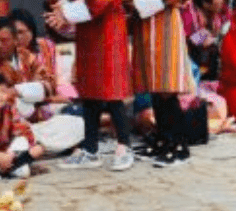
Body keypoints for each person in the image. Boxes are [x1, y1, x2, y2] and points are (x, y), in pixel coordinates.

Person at [49, 0, 137, 170]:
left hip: (108, 30)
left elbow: (98, 3)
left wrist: (67, 12)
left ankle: (124, 146)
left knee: (111, 90)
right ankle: (90, 149)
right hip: (88, 29)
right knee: (89, 90)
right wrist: (63, 5)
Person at [134, 0, 199, 166]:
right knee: (153, 84)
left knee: (167, 85)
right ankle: (162, 138)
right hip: (146, 25)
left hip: (165, 22)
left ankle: (178, 144)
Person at [0, 16, 56, 119]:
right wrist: (33, 89)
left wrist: (18, 90)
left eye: (4, 40)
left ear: (15, 40)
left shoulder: (25, 55)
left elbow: (50, 83)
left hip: (38, 115)